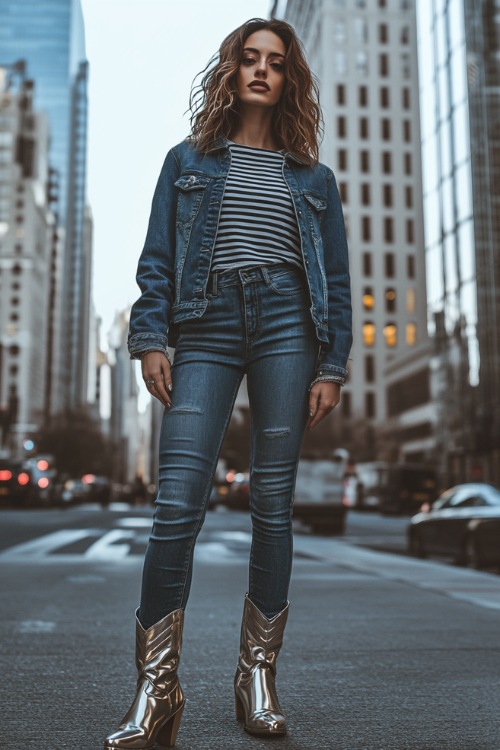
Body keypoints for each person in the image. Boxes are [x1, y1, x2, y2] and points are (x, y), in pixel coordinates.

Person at [104, 17, 352, 749]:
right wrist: (151, 337)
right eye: (249, 59)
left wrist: (331, 365)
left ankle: (257, 678)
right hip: (203, 322)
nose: (261, 72)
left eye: (276, 63)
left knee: (273, 506)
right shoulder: (187, 161)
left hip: (287, 328)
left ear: (288, 80)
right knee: (177, 502)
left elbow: (333, 278)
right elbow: (156, 258)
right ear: (231, 70)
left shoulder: (314, 179)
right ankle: (157, 689)